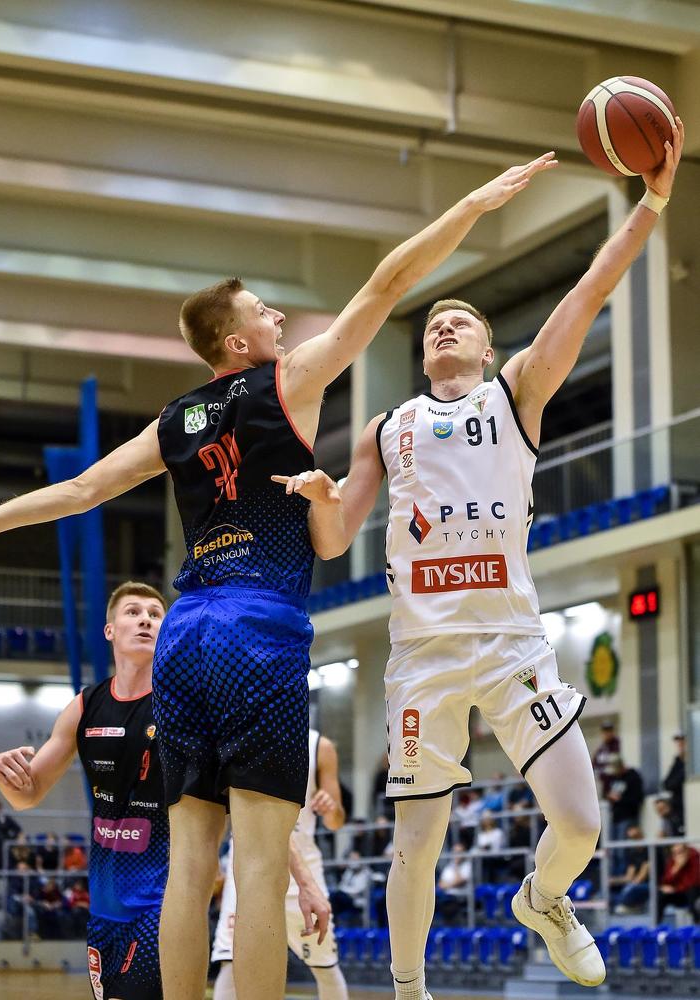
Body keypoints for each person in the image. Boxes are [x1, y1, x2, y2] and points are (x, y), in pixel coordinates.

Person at [0, 152, 557, 1000]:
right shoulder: (287, 380)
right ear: (237, 343)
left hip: (185, 628)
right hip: (256, 626)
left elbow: (78, 492)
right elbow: (387, 283)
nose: (280, 316)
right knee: (258, 868)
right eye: (264, 310)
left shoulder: (173, 419)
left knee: (189, 863)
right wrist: (472, 205)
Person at [277, 117, 684, 997]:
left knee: (581, 825)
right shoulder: (386, 428)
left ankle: (543, 899)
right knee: (414, 844)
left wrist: (650, 203)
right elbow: (335, 540)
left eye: (458, 321)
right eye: (432, 324)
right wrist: (319, 500)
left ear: (488, 348)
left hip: (510, 643)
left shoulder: (515, 393)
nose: (442, 327)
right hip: (421, 656)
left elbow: (588, 290)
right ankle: (409, 991)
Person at [0, 582, 169, 1000]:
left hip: (160, 902)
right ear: (110, 630)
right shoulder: (84, 706)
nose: (145, 619)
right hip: (103, 908)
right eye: (133, 612)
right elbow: (27, 795)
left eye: (155, 614)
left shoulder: (179, 704)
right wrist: (4, 773)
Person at [212, 730, 349, 1000]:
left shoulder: (320, 746)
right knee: (230, 961)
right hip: (247, 861)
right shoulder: (242, 732)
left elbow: (336, 822)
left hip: (304, 867)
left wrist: (331, 808)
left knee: (324, 965)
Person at [610, 826, 649, 914]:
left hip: (649, 883)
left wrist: (630, 885)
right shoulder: (633, 853)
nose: (635, 840)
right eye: (632, 838)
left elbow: (641, 877)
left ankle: (631, 906)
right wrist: (613, 880)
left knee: (629, 889)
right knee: (608, 890)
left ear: (642, 836)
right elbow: (629, 877)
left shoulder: (648, 851)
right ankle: (624, 905)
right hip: (636, 883)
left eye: (636, 837)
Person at [657, 842, 700, 922]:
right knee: (660, 895)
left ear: (687, 851)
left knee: (692, 892)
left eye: (680, 852)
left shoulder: (694, 858)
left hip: (692, 892)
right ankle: (656, 924)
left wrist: (676, 888)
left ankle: (697, 924)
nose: (678, 856)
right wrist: (677, 868)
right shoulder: (672, 861)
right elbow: (665, 881)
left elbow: (694, 882)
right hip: (679, 893)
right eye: (675, 853)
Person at [605, 757, 645, 843]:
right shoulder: (615, 778)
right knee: (612, 846)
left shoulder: (633, 778)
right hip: (615, 817)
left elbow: (637, 798)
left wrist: (620, 799)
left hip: (628, 817)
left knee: (622, 847)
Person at [662, 732, 686, 834]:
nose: (680, 745)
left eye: (682, 742)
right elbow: (666, 784)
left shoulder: (694, 762)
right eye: (678, 742)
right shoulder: (678, 761)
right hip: (677, 808)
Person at [592, 721, 621, 797]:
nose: (607, 734)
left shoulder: (616, 744)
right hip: (603, 782)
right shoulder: (602, 747)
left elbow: (614, 762)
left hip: (614, 781)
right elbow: (594, 763)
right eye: (605, 732)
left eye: (609, 731)